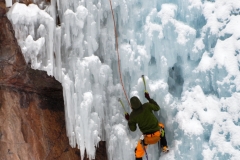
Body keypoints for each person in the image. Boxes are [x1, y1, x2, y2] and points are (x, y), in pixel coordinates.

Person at [125, 92, 168, 160]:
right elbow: (157, 108)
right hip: (158, 134)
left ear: (132, 106)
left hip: (147, 139)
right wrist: (149, 98)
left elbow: (133, 129)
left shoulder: (133, 115)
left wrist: (129, 120)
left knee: (138, 153)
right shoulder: (147, 105)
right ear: (139, 102)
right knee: (161, 126)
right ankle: (164, 146)